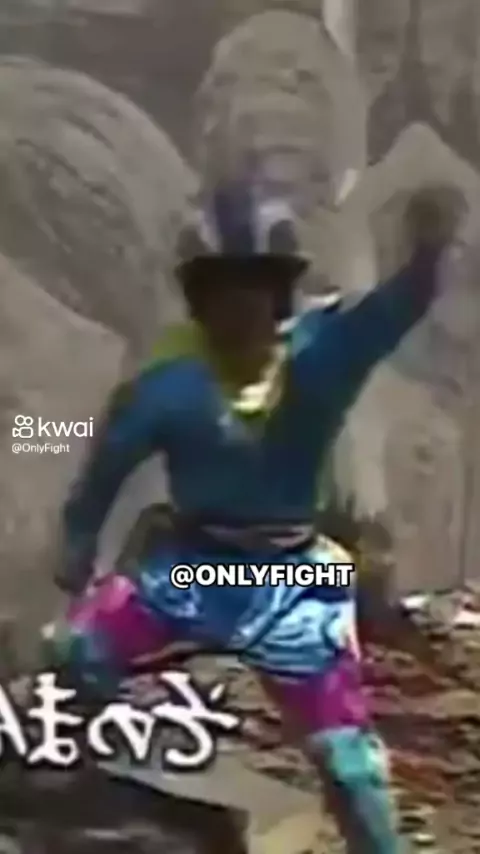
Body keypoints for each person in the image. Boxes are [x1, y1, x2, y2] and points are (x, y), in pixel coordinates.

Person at [45, 181, 462, 854]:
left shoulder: (322, 354)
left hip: (293, 584)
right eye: (222, 292)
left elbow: (391, 312)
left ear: (280, 294)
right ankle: (88, 795)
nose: (239, 309)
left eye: (254, 289)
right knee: (79, 655)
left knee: (350, 768)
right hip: (189, 568)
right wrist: (77, 548)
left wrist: (427, 254)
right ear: (199, 299)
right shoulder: (169, 385)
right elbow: (104, 469)